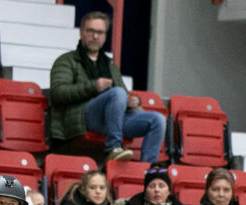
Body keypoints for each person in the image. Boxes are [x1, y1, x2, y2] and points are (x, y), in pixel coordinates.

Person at [49, 11, 166, 163]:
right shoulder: (66, 61)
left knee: (158, 120)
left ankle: (149, 174)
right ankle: (113, 147)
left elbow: (123, 95)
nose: (95, 36)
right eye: (90, 31)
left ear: (105, 35)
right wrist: (93, 86)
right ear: (81, 32)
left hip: (112, 120)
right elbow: (58, 93)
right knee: (116, 93)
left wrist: (133, 102)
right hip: (81, 117)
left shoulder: (110, 66)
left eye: (100, 32)